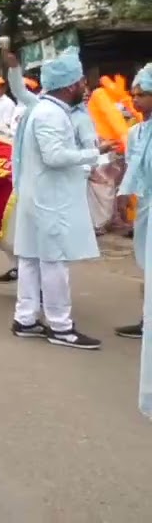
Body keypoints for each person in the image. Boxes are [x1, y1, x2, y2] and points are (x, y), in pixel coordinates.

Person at [10, 50, 113, 350]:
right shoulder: (51, 114)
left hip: (39, 197)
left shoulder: (47, 109)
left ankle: (25, 319)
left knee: (31, 259)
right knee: (53, 262)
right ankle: (61, 326)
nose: (84, 86)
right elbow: (54, 157)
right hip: (50, 201)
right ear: (70, 85)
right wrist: (95, 153)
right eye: (81, 81)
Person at [114, 66, 152, 402]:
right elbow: (134, 166)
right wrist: (125, 192)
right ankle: (146, 322)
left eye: (142, 94)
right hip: (146, 209)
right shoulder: (137, 132)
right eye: (134, 94)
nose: (135, 100)